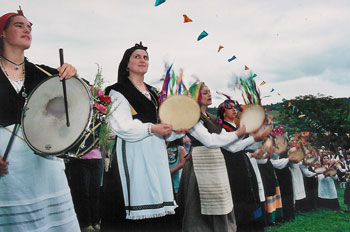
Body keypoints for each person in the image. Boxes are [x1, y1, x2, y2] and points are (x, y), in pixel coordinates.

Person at [0, 9, 80, 232]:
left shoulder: (45, 74)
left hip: (46, 164)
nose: (27, 29)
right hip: (8, 171)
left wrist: (73, 77)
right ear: (3, 34)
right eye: (19, 25)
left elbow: (70, 108)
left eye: (29, 27)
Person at [100, 42, 185, 232]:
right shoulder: (117, 90)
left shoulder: (154, 93)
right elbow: (121, 126)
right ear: (127, 64)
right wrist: (151, 129)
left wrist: (177, 130)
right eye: (137, 56)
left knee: (161, 205)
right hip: (133, 154)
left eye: (145, 57)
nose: (142, 60)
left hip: (156, 155)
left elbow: (164, 127)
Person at [177, 83, 268, 232]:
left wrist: (254, 138)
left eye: (209, 91)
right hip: (200, 167)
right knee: (200, 211)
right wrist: (239, 133)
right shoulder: (192, 118)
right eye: (205, 92)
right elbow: (210, 141)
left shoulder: (211, 118)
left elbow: (232, 147)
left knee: (219, 205)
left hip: (215, 166)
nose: (209, 94)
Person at [216, 100, 265, 232]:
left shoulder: (238, 128)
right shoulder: (221, 129)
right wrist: (254, 138)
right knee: (239, 196)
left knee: (252, 194)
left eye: (235, 107)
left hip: (244, 163)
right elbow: (233, 148)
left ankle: (255, 226)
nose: (234, 110)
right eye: (229, 107)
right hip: (232, 165)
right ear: (223, 112)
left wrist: (260, 138)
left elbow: (249, 147)